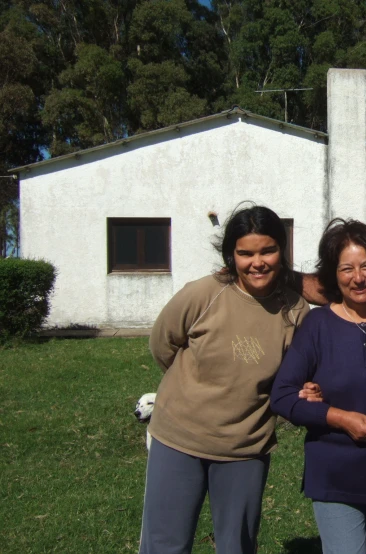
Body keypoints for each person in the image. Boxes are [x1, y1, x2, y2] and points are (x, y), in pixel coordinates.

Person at [139, 205, 310, 554]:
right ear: (231, 255)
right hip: (178, 440)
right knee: (164, 544)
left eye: (267, 250)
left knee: (237, 546)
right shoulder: (203, 293)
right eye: (245, 253)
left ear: (282, 250)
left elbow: (293, 377)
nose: (257, 262)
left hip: (245, 448)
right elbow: (163, 345)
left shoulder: (295, 310)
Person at [271, 219, 366, 554]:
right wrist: (334, 416)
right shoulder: (318, 325)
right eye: (346, 268)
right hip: (334, 474)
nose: (358, 277)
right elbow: (283, 395)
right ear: (333, 275)